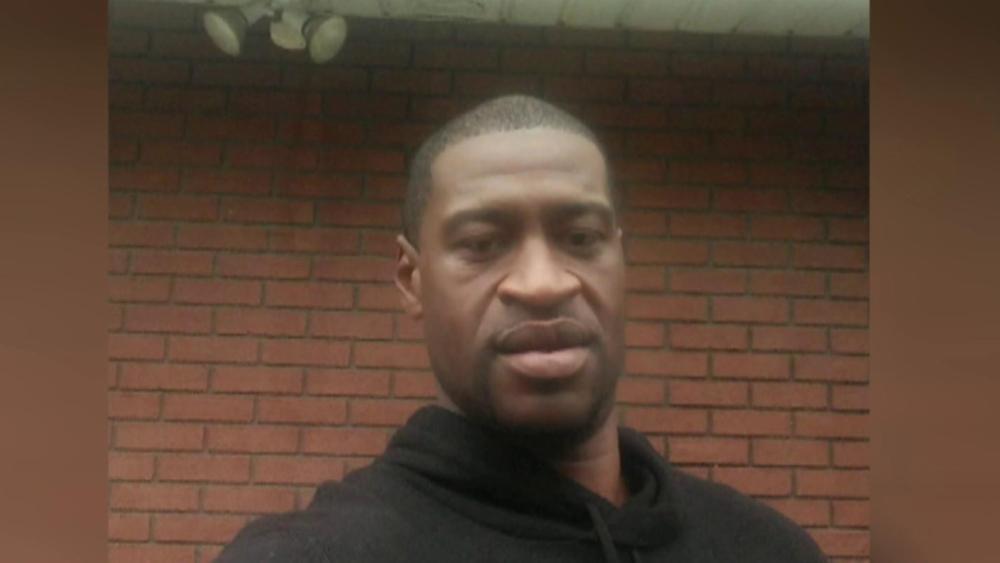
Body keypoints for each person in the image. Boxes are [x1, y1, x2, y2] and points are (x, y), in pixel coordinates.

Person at [215, 95, 827, 563]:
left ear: (621, 261)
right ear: (412, 280)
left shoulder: (768, 550)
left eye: (581, 238)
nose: (542, 283)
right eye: (482, 244)